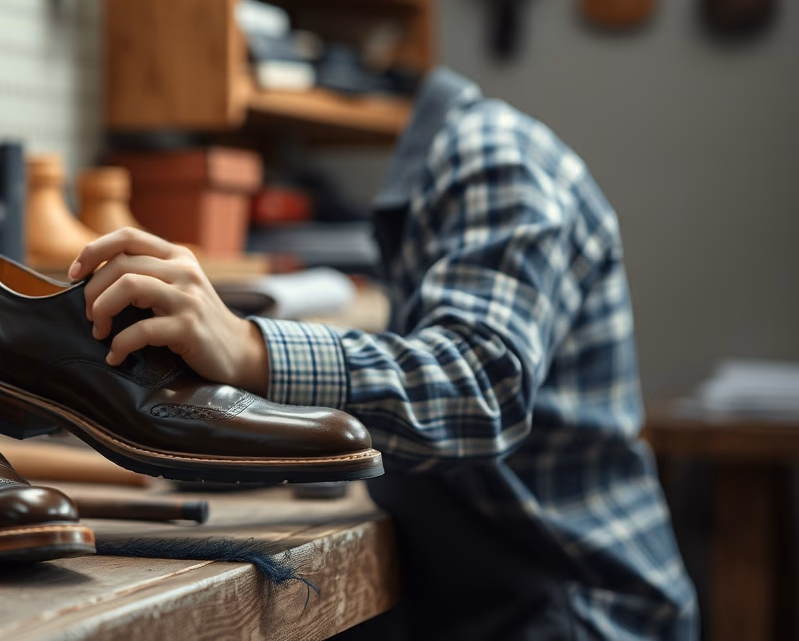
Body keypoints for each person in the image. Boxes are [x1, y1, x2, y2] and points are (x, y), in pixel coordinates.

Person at [68, 69, 698, 640]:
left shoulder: (496, 157)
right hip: (508, 583)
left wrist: (246, 344)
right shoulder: (451, 178)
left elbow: (480, 385)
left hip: (577, 610)